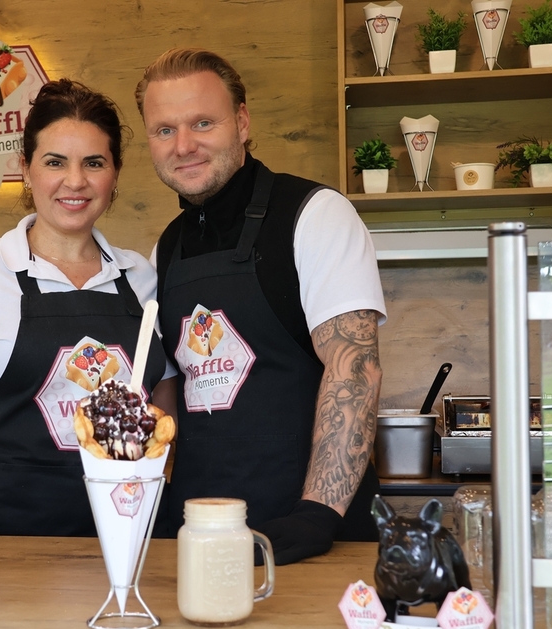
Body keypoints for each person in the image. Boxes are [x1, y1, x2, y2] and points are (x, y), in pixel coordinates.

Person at [0, 79, 175, 538]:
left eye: (94, 163)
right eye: (55, 162)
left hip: (131, 532)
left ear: (115, 174)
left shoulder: (141, 276)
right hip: (4, 539)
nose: (75, 181)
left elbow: (163, 391)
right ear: (26, 169)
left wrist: (162, 469)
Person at [135, 49, 386, 564]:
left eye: (203, 123)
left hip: (311, 536)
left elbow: (355, 370)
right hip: (200, 534)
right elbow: (174, 396)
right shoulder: (166, 248)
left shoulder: (316, 215)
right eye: (164, 130)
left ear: (243, 122)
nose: (183, 145)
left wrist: (316, 515)